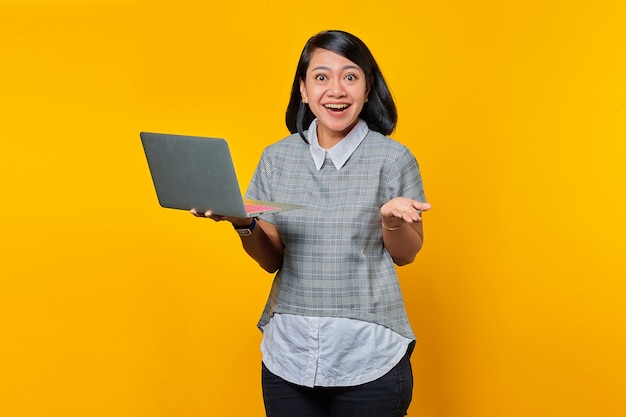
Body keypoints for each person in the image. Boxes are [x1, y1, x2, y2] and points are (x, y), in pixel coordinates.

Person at [192, 29, 431, 417]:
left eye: (350, 76)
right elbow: (271, 259)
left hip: (368, 356)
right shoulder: (277, 158)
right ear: (303, 90)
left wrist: (389, 221)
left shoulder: (392, 158)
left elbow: (407, 254)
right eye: (321, 77)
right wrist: (242, 222)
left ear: (367, 89)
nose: (335, 90)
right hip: (289, 353)